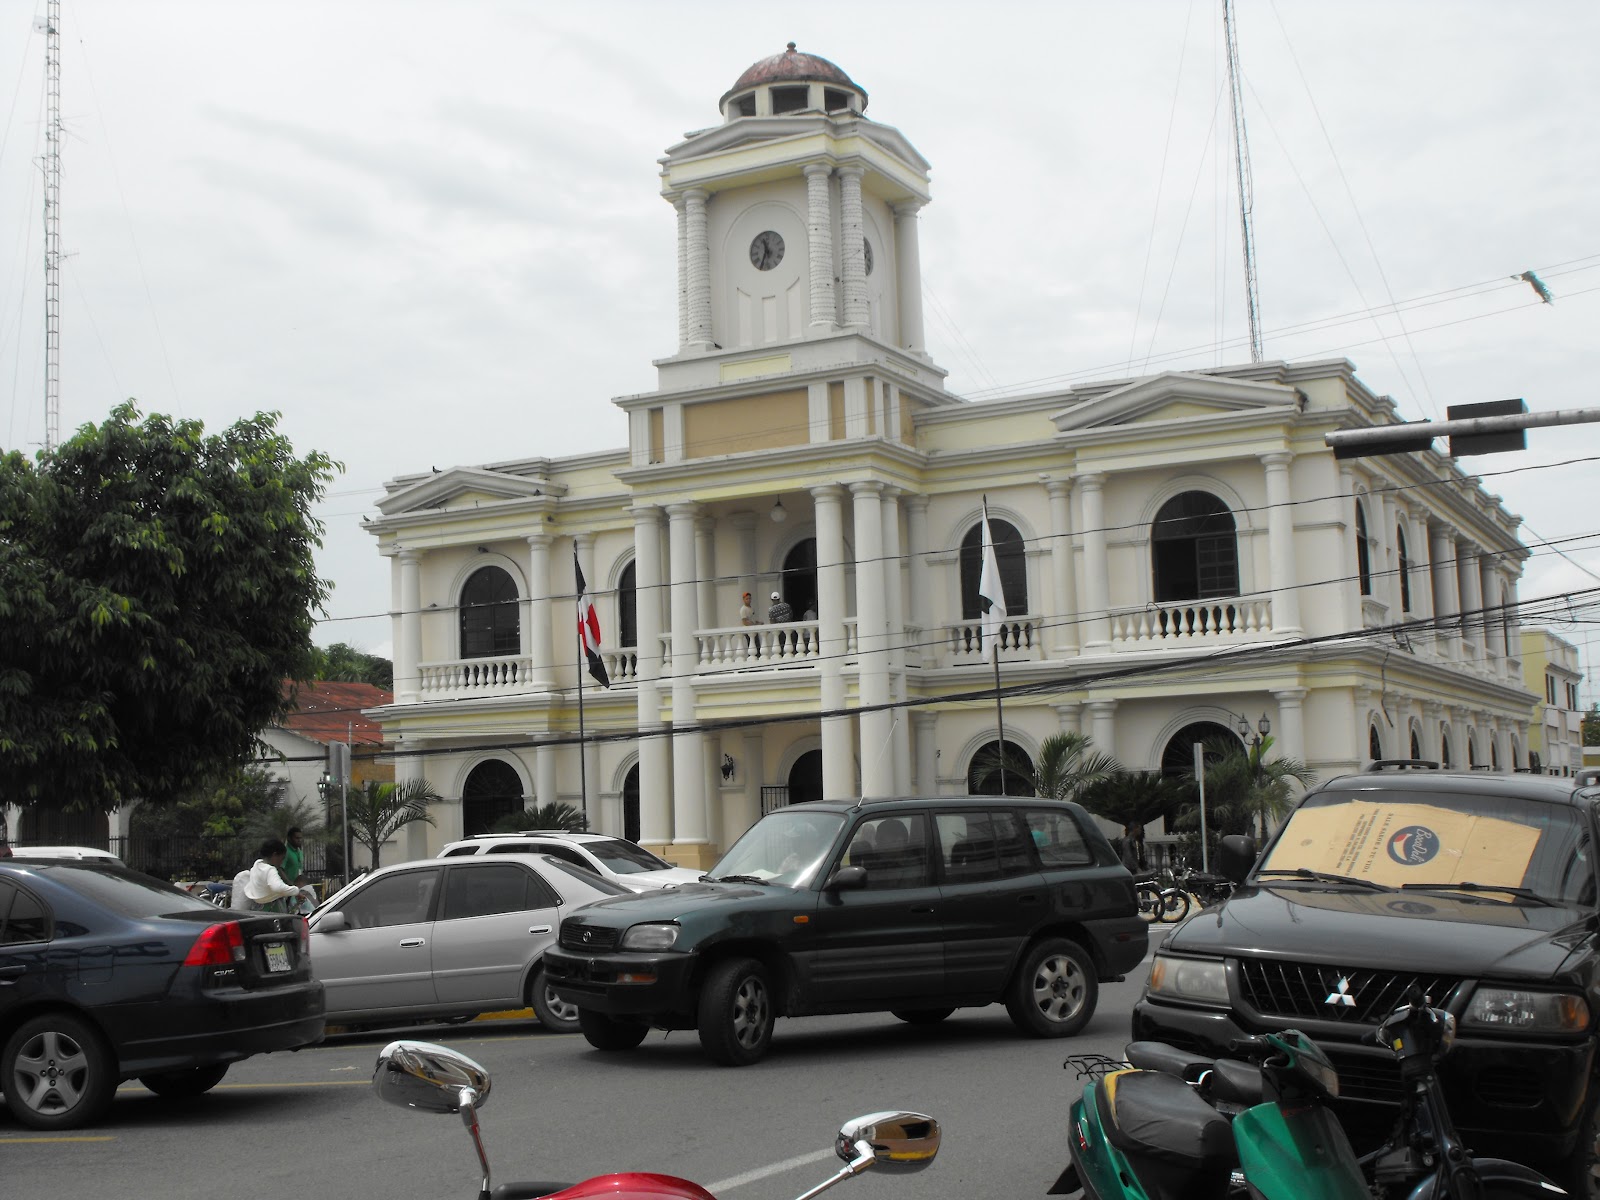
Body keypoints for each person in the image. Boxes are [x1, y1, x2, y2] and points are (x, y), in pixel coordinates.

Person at [243, 838, 312, 914]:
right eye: (282, 859)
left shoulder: (256, 867)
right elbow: (278, 888)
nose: (281, 862)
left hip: (257, 910)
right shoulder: (270, 870)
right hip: (272, 911)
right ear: (274, 855)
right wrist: (296, 891)